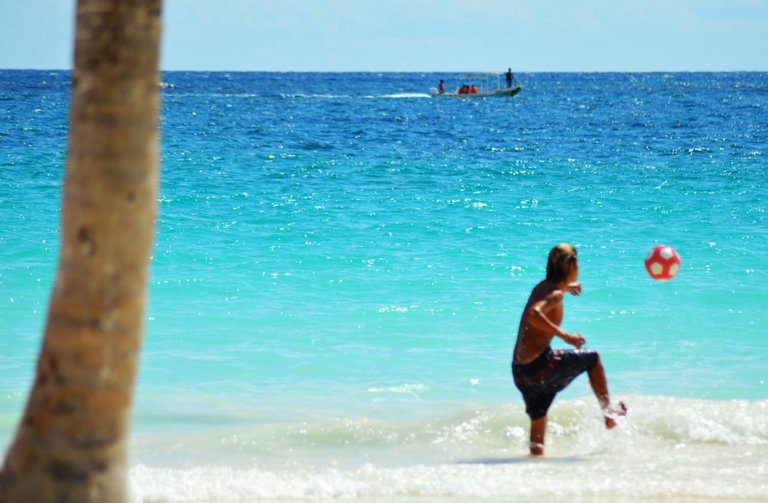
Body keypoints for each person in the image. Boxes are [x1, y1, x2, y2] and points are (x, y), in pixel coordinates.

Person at [512, 244, 626, 456]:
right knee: (592, 359)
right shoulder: (555, 294)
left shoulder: (543, 287)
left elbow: (545, 298)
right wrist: (566, 336)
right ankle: (609, 414)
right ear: (571, 265)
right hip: (539, 368)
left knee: (538, 428)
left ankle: (534, 470)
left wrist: (566, 286)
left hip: (521, 372)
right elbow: (534, 315)